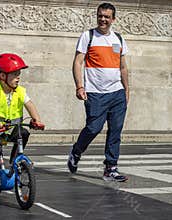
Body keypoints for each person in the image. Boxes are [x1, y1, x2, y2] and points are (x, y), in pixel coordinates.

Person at [67, 2, 129, 182]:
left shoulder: (118, 38)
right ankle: (77, 151)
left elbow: (123, 67)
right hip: (95, 93)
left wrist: (126, 90)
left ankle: (111, 168)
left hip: (117, 92)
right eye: (100, 15)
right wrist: (79, 86)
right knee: (94, 128)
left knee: (115, 130)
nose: (103, 19)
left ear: (113, 19)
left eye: (107, 17)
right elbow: (78, 62)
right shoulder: (88, 36)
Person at [0, 53, 44, 193]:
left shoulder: (20, 91)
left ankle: (15, 159)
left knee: (24, 133)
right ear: (3, 76)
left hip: (12, 129)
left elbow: (30, 105)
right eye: (15, 74)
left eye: (19, 74)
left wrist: (37, 120)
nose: (18, 77)